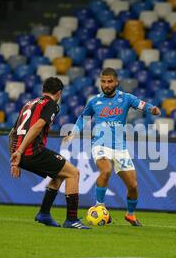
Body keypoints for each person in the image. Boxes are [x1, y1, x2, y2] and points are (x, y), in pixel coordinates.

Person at [63, 68, 161, 226]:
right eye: (103, 81)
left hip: (120, 148)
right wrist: (73, 132)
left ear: (116, 82)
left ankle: (130, 214)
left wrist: (152, 109)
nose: (106, 85)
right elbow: (83, 118)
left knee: (133, 186)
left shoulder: (126, 98)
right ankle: (100, 206)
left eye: (109, 81)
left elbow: (142, 104)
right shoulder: (94, 101)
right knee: (106, 170)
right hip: (100, 144)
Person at [9, 77, 89, 229]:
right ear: (59, 93)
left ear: (42, 90)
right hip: (32, 151)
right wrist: (19, 152)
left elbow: (13, 133)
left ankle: (44, 214)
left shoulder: (28, 104)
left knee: (59, 174)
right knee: (73, 173)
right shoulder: (51, 104)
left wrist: (14, 158)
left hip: (20, 153)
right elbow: (38, 126)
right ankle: (71, 220)